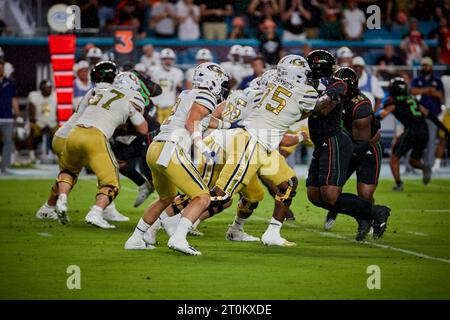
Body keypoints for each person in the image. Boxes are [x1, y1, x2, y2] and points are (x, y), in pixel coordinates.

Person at [209, 55, 317, 247]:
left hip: (260, 144)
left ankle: (262, 231)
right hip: (248, 142)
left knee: (279, 186)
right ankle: (171, 222)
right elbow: (300, 113)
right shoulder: (298, 91)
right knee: (221, 196)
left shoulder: (261, 89)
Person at [124, 62, 231, 255]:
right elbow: (192, 124)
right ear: (213, 81)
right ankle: (179, 238)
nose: (223, 89)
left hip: (155, 148)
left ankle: (135, 238)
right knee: (202, 197)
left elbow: (204, 120)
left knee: (166, 198)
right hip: (171, 149)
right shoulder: (205, 95)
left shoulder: (187, 94)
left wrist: (231, 125)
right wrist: (204, 148)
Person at [305, 50, 390, 241]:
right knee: (314, 195)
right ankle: (362, 213)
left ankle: (376, 212)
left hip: (363, 146)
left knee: (354, 193)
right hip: (333, 144)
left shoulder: (355, 102)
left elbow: (362, 143)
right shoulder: (321, 86)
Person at [35, 61, 133, 224]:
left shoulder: (93, 91)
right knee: (105, 170)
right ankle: (105, 209)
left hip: (64, 135)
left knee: (68, 173)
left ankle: (48, 207)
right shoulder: (105, 93)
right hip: (78, 135)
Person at [53, 71, 148, 228]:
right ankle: (96, 212)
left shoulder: (101, 91)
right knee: (111, 183)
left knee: (69, 171)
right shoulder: (132, 97)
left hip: (74, 133)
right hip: (96, 137)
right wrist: (130, 114)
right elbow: (143, 129)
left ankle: (62, 199)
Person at [323, 67, 384, 237]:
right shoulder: (332, 97)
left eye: (340, 84)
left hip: (366, 147)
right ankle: (337, 209)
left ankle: (369, 217)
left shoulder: (360, 105)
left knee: (365, 194)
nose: (336, 86)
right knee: (331, 190)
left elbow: (362, 143)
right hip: (346, 145)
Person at [378, 77, 449, 191]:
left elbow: (381, 116)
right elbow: (429, 114)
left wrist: (367, 120)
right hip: (424, 130)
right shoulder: (412, 100)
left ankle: (399, 184)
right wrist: (445, 129)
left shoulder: (393, 102)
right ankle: (425, 167)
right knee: (414, 161)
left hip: (411, 130)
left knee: (394, 158)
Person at [410, 57, 445, 169]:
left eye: (427, 65)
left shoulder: (437, 80)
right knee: (416, 140)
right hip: (418, 115)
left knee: (431, 141)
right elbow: (412, 91)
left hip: (432, 115)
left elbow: (440, 95)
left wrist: (423, 90)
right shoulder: (417, 80)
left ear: (431, 67)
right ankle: (414, 164)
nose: (425, 67)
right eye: (424, 65)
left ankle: (428, 165)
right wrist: (429, 90)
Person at [149, 48, 184, 124]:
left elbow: (179, 91)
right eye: (165, 59)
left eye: (170, 59)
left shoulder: (178, 72)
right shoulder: (153, 71)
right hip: (156, 106)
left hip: (170, 106)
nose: (168, 61)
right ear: (161, 60)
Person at [27, 80, 57, 162]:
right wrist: (33, 120)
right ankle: (31, 154)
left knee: (62, 130)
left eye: (50, 88)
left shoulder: (55, 95)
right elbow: (31, 112)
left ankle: (57, 154)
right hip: (38, 123)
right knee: (30, 129)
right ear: (41, 88)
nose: (48, 89)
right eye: (46, 88)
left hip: (53, 123)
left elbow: (59, 110)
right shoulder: (34, 96)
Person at [0, 59, 19, 174]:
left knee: (8, 142)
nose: (0, 69)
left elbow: (14, 99)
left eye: (1, 67)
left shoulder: (10, 83)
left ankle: (5, 167)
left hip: (7, 117)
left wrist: (17, 113)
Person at [433, 67, 450, 171]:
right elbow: (438, 91)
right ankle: (437, 164)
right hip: (448, 111)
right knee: (443, 139)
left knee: (442, 140)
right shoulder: (445, 78)